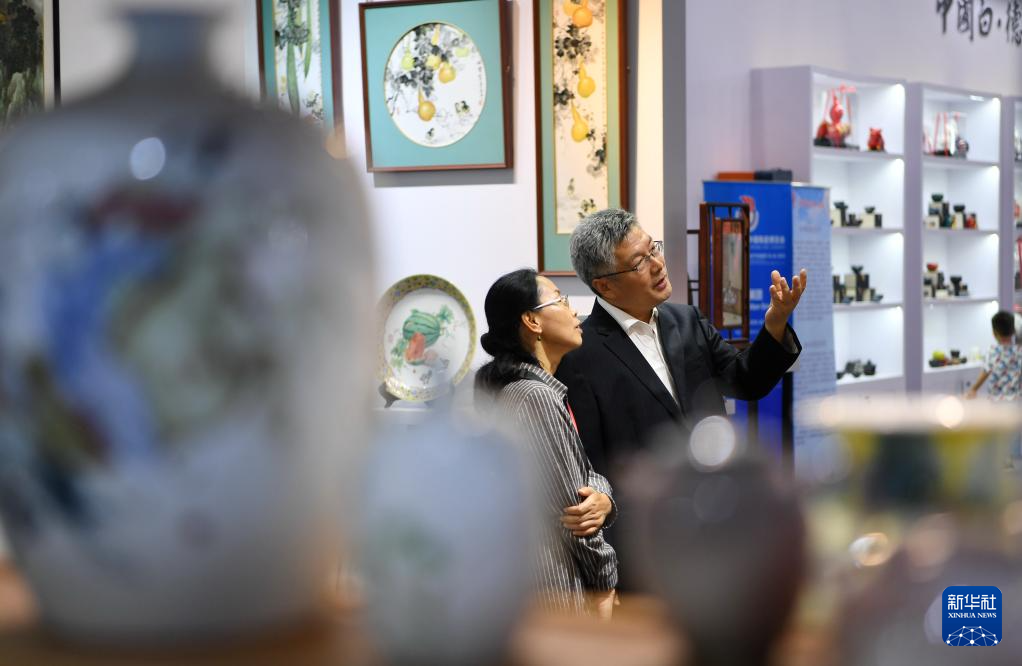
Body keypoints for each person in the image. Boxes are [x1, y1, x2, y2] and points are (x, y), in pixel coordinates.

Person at [554, 208, 805, 586]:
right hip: (645, 541)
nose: (658, 264)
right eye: (640, 262)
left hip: (717, 516)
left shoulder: (686, 320)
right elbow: (591, 459)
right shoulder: (580, 353)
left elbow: (745, 381)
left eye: (653, 248)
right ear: (605, 286)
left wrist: (775, 325)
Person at [475, 268, 618, 617]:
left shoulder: (525, 391)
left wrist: (604, 496)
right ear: (532, 321)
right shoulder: (534, 396)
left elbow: (585, 478)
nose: (574, 309)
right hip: (560, 589)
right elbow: (576, 512)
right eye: (561, 299)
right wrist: (605, 583)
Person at [965, 310, 1021, 462]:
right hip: (1015, 400)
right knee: (1012, 434)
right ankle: (1009, 459)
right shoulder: (1019, 351)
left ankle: (1001, 460)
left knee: (997, 433)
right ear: (1013, 331)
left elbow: (985, 372)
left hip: (996, 400)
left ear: (994, 333)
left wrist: (973, 389)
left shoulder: (992, 351)